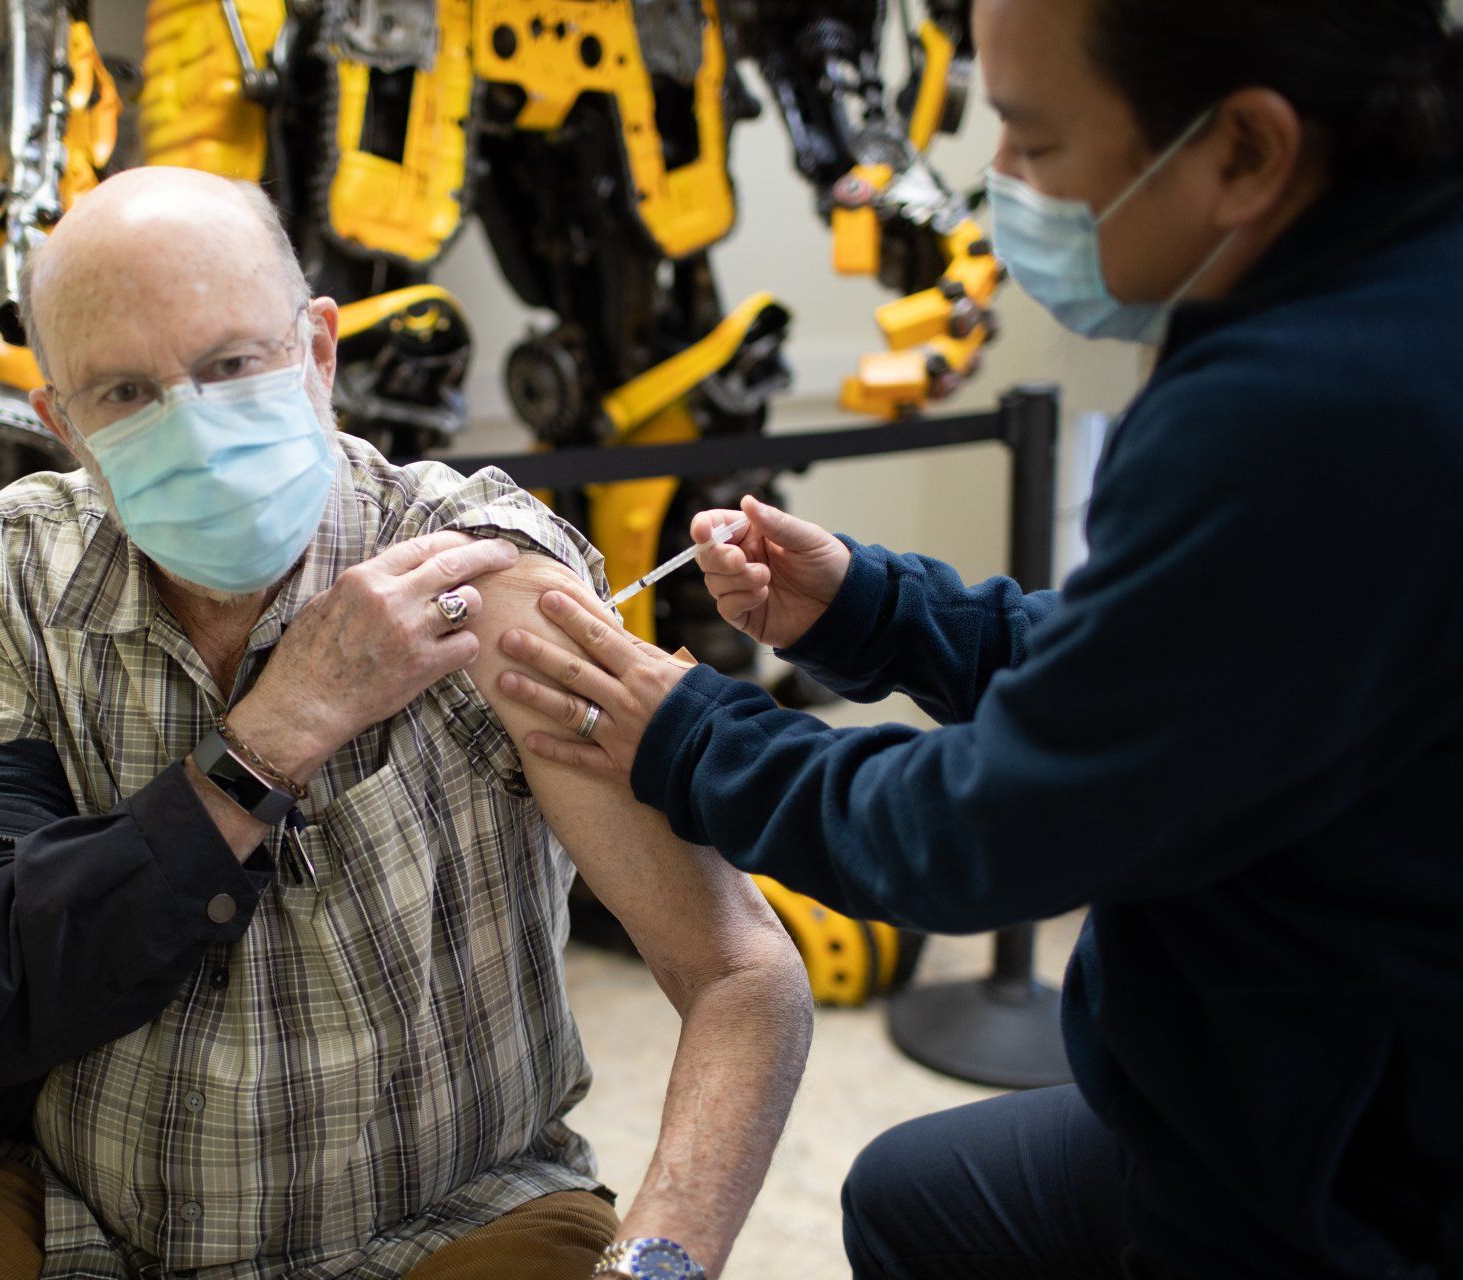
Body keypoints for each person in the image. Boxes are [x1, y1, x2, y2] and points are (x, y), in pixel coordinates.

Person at [490, 1, 1463, 1277]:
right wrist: (878, 611)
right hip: (1306, 1075)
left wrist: (690, 735)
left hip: (1355, 1176)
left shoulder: (1304, 410)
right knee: (917, 1191)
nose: (1000, 178)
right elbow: (1176, 661)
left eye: (1035, 140)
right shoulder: (1389, 293)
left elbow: (978, 832)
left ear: (1243, 150)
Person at [0, 166, 812, 1280]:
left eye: (234, 364)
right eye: (125, 393)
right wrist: (277, 732)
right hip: (78, 1204)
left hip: (450, 1212)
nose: (192, 426)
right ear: (63, 425)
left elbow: (738, 974)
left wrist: (658, 1267)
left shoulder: (485, 577)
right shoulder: (14, 569)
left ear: (319, 353)